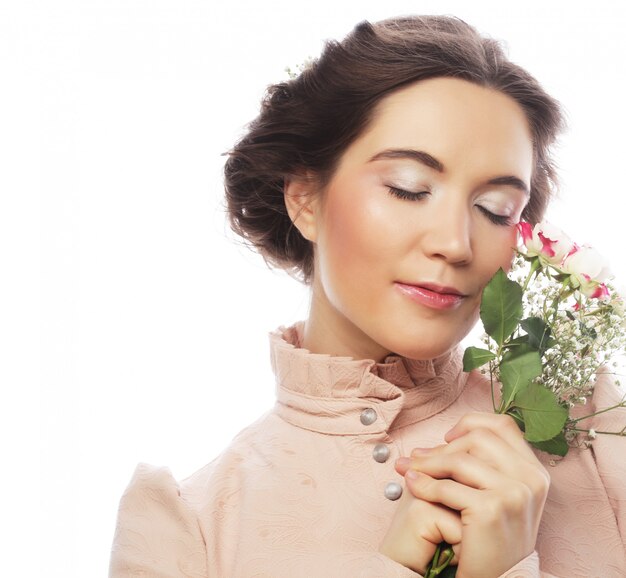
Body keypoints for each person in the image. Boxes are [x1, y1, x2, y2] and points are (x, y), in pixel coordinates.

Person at [108, 15, 626, 577]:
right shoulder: (188, 528)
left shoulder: (596, 427)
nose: (455, 243)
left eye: (495, 209)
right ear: (306, 199)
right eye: (408, 188)